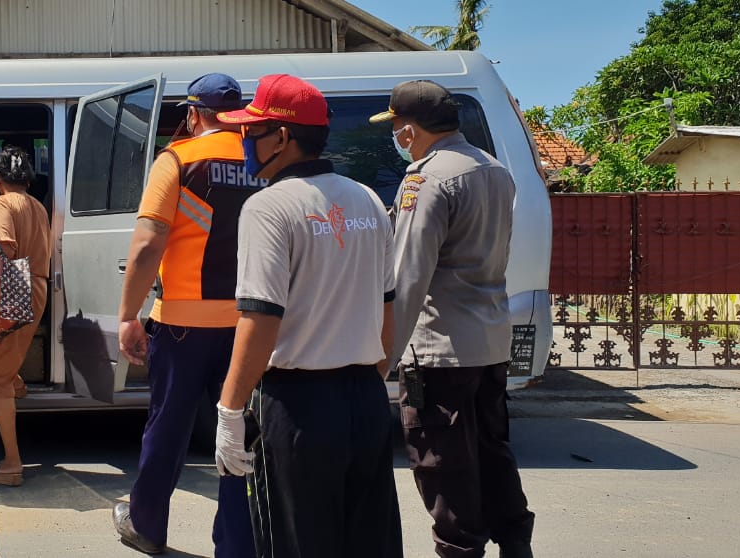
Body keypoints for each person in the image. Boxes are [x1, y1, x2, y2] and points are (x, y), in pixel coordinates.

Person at [215, 74, 403, 557]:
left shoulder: (268, 207)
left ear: (282, 136)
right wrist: (365, 380)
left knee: (299, 544)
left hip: (300, 407)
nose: (245, 143)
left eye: (251, 132)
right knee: (368, 542)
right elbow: (387, 310)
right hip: (365, 398)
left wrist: (230, 411)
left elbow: (259, 321)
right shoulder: (366, 199)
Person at [372, 79, 535, 558]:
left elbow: (408, 278)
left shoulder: (427, 180)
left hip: (441, 347)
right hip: (489, 341)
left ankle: (459, 549)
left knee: (443, 462)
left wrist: (383, 359)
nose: (398, 138)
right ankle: (515, 543)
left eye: (396, 128)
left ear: (407, 132)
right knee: (491, 452)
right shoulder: (494, 169)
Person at [112, 73, 256, 557]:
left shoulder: (176, 159)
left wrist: (128, 314)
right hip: (248, 324)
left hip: (181, 324)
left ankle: (147, 524)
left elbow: (150, 240)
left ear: (194, 114)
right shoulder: (265, 160)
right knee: (237, 430)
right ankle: (238, 542)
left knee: (168, 427)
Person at [0, 147, 52, 487]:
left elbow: (5, 250)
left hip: (11, 286)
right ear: (28, 180)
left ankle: (12, 465)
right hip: (35, 285)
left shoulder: (2, 204)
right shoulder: (38, 206)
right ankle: (13, 381)